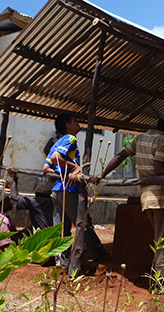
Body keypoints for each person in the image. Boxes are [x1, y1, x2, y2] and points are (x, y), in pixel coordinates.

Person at [93, 111, 164, 288]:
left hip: (146, 198)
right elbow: (159, 169)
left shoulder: (140, 138)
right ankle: (162, 286)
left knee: (160, 241)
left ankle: (159, 279)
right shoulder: (162, 140)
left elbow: (120, 156)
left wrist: (102, 174)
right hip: (160, 197)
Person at [43, 113, 106, 276]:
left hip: (57, 190)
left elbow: (46, 168)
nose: (78, 123)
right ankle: (98, 252)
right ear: (69, 126)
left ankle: (64, 263)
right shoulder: (70, 139)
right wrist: (74, 168)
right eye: (75, 121)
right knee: (82, 223)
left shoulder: (55, 143)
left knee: (61, 230)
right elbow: (57, 158)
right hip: (69, 190)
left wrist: (60, 172)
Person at [7, 167, 53, 232]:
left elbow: (14, 196)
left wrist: (14, 178)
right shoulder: (52, 201)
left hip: (42, 235)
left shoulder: (36, 202)